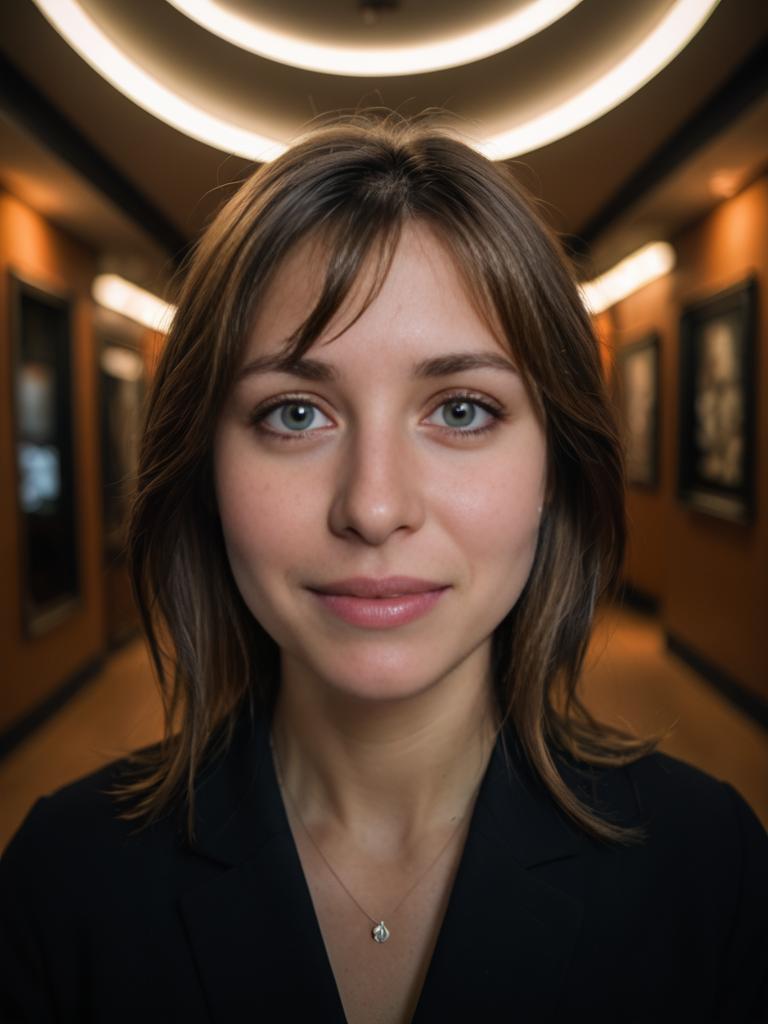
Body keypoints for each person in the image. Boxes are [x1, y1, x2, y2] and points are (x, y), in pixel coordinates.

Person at [1, 111, 766, 1024]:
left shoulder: (710, 867)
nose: (372, 508)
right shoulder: (63, 882)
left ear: (555, 469)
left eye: (462, 410)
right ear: (203, 467)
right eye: (293, 414)